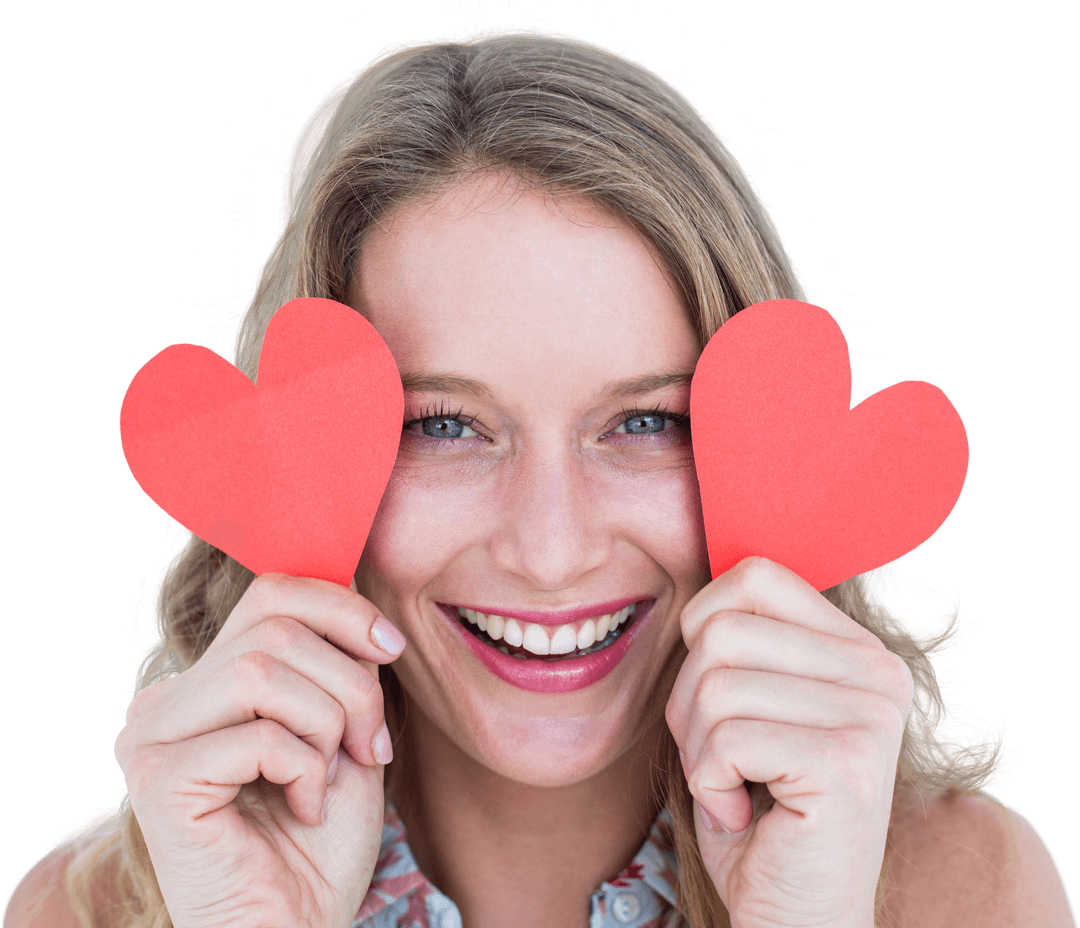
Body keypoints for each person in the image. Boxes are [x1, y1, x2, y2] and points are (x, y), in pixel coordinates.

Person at [5, 25, 1074, 928]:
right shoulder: (82, 911)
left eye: (648, 420)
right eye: (447, 428)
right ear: (299, 456)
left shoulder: (970, 892)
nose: (552, 550)